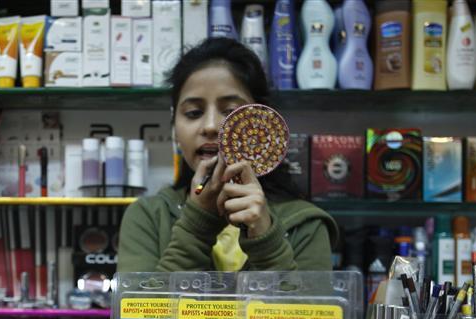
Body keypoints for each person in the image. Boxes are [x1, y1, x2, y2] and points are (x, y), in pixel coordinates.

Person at [117, 38, 338, 273]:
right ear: (174, 126)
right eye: (193, 113)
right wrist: (197, 224)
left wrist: (267, 242)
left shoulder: (305, 224)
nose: (211, 126)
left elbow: (309, 299)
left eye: (231, 111)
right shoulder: (149, 217)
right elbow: (137, 299)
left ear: (263, 121)